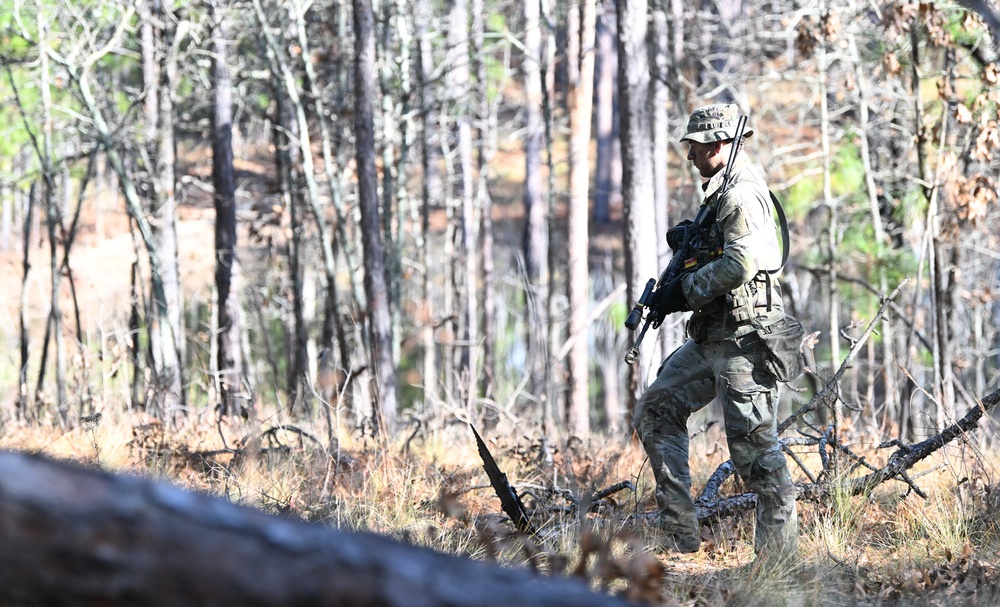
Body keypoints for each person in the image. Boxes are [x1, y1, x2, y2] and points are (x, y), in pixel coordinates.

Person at [634, 103, 798, 557]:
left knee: (756, 456)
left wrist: (684, 292)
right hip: (712, 336)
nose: (690, 156)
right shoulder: (721, 190)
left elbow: (743, 262)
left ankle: (779, 567)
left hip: (745, 341)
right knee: (656, 409)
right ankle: (679, 537)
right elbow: (727, 251)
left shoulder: (740, 194)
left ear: (720, 145)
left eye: (697, 147)